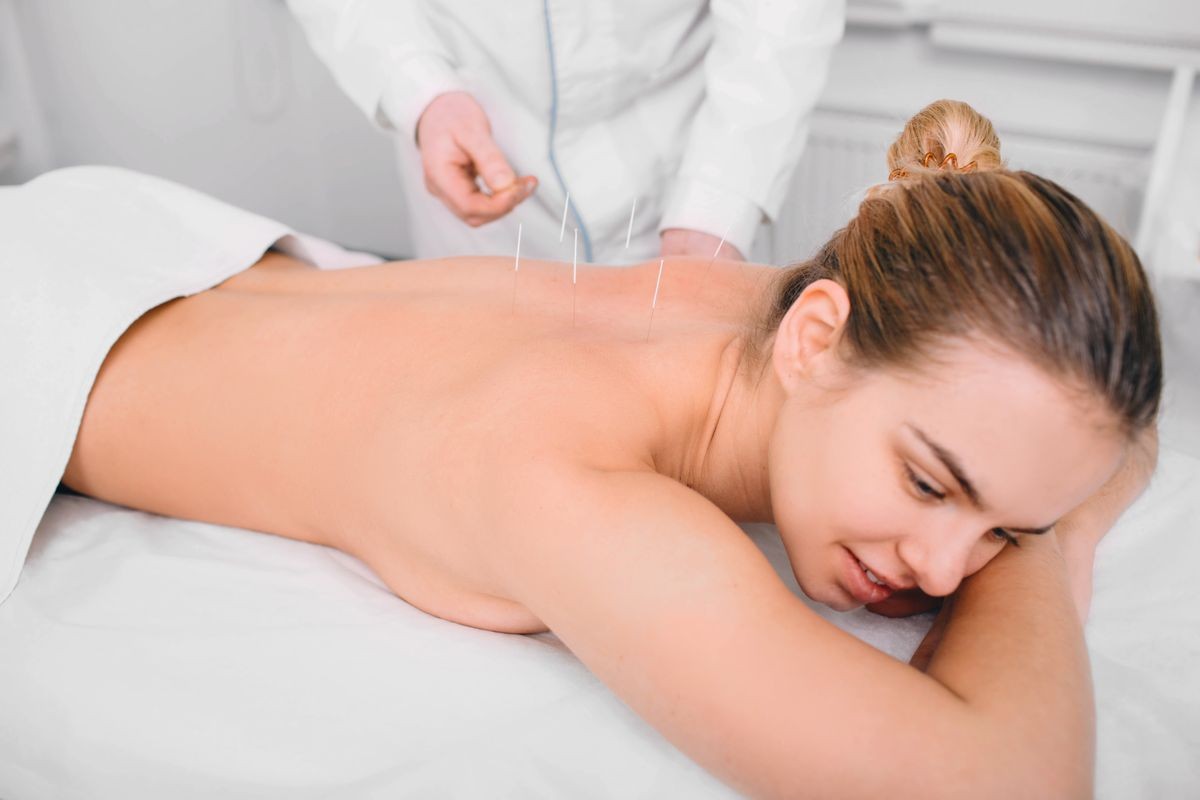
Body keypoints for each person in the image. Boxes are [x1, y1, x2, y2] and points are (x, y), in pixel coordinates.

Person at [61, 100, 1160, 797]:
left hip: (147, 242)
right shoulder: (572, 479)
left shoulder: (764, 307)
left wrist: (1019, 493)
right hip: (48, 333)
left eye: (1000, 529)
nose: (941, 568)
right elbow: (1005, 781)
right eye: (929, 481)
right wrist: (1058, 535)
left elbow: (1095, 425)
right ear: (817, 336)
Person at [284, 0, 844, 263]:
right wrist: (421, 92)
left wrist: (719, 206)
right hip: (478, 141)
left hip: (684, 148)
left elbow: (782, 18)